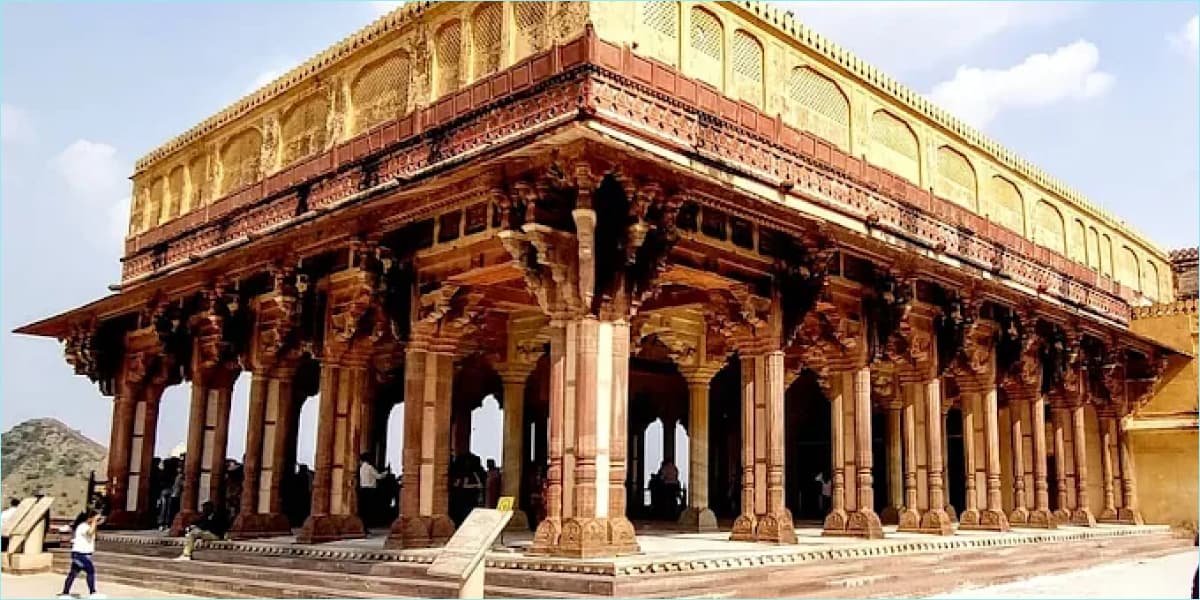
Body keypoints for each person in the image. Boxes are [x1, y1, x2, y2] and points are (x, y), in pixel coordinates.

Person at [58, 509, 105, 599]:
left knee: (73, 574)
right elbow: (89, 533)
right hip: (80, 555)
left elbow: (95, 537)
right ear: (90, 518)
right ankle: (93, 593)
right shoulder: (83, 526)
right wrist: (94, 521)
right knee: (90, 571)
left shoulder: (89, 526)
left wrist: (96, 524)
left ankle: (65, 593)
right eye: (96, 519)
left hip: (84, 554)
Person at [357, 453, 381, 527]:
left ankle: (363, 526)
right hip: (370, 490)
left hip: (363, 489)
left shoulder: (361, 468)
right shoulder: (370, 467)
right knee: (369, 509)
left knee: (363, 509)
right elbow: (378, 476)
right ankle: (368, 525)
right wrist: (385, 473)